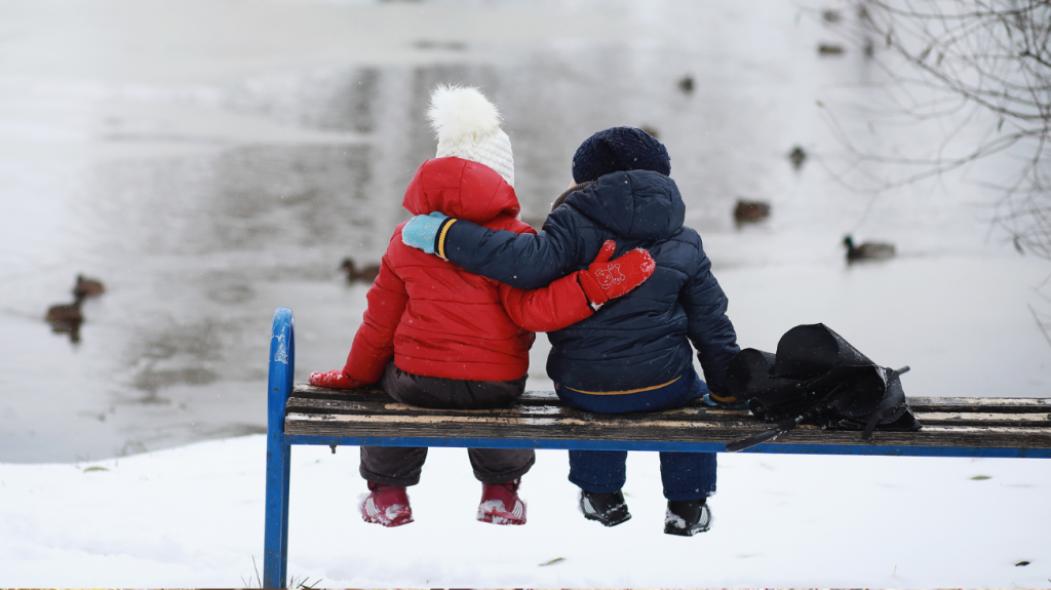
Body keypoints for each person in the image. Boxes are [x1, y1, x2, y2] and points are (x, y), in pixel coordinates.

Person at [309, 89, 655, 528]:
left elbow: (379, 323)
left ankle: (389, 492)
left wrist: (355, 375)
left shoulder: (408, 236)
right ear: (502, 178)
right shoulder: (520, 241)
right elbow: (534, 313)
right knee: (498, 396)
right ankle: (500, 491)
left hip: (418, 383)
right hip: (496, 384)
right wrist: (592, 287)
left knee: (385, 384)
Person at [401, 126, 740, 536]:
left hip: (583, 386)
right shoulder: (684, 239)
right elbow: (712, 322)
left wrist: (444, 234)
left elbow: (520, 260)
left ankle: (600, 493)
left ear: (585, 180)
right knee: (694, 399)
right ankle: (688, 502)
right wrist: (725, 388)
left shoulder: (570, 224)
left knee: (591, 393)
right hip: (663, 383)